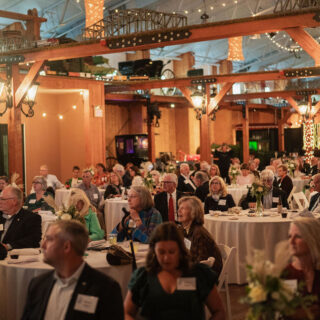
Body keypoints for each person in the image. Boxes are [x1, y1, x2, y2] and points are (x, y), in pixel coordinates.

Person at [22, 220, 123, 320]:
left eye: (49, 239)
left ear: (66, 247)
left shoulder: (105, 289)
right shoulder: (38, 284)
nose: (43, 245)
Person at [124, 222, 225, 320]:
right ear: (154, 251)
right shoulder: (144, 277)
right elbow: (126, 312)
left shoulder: (198, 274)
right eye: (161, 252)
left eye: (171, 252)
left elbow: (219, 311)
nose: (166, 258)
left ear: (180, 250)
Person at [281, 218, 320, 319]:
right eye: (290, 236)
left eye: (298, 236)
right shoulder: (286, 275)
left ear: (312, 238)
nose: (291, 241)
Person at [178, 196, 223, 276]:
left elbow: (201, 265)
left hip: (205, 278)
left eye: (183, 208)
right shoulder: (184, 229)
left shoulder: (199, 233)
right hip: (194, 271)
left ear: (193, 212)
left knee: (171, 284)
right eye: (179, 208)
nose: (179, 211)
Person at [0, 186, 41, 250]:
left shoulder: (31, 218)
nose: (0, 201)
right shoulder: (1, 215)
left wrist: (8, 246)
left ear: (14, 201)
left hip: (14, 256)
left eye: (2, 199)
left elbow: (33, 239)